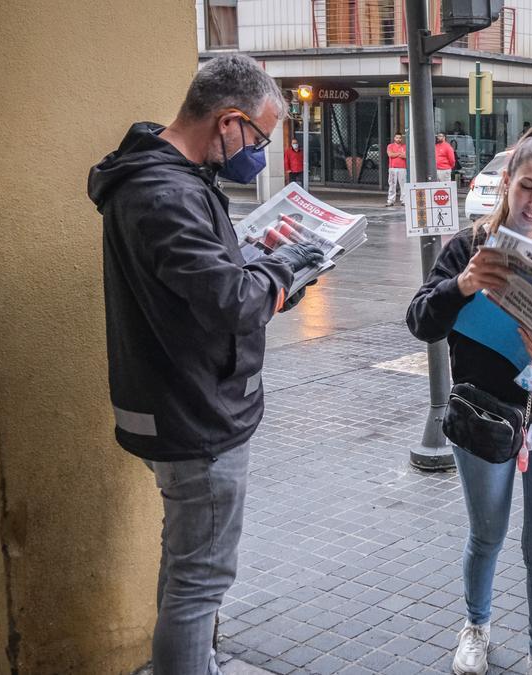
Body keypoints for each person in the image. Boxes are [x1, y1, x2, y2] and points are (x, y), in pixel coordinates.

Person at [86, 54, 325, 675]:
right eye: (260, 138)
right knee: (201, 583)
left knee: (185, 562)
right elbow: (231, 300)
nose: (261, 153)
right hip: (197, 415)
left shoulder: (167, 180)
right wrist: (281, 267)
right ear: (228, 122)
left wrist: (257, 264)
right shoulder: (165, 192)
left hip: (178, 402)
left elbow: (202, 283)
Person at [407, 127, 532, 675]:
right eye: (526, 188)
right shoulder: (467, 248)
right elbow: (421, 321)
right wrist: (463, 286)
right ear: (506, 182)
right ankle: (476, 627)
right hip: (486, 412)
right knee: (487, 533)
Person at [387, 133, 407, 207]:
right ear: (394, 138)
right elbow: (390, 155)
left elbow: (405, 156)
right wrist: (399, 154)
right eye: (397, 138)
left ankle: (404, 200)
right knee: (392, 184)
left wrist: (395, 154)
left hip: (402, 168)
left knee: (403, 185)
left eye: (400, 138)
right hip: (392, 168)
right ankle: (391, 200)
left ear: (401, 139)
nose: (398, 139)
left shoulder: (405, 146)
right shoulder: (390, 146)